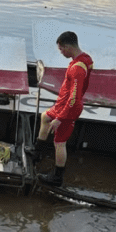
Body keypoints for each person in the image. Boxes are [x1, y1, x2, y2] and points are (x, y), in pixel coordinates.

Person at [36, 31, 94, 186]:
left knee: (59, 143)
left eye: (61, 49)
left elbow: (74, 99)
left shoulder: (77, 69)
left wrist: (60, 119)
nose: (61, 52)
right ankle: (37, 153)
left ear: (67, 47)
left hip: (69, 108)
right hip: (63, 104)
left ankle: (57, 178)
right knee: (45, 117)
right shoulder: (85, 59)